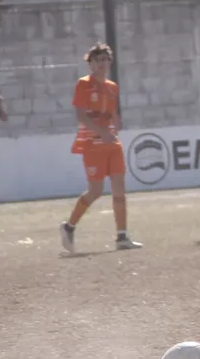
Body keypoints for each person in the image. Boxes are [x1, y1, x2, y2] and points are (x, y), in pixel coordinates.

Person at [60, 43, 143, 252]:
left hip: (112, 144)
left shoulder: (113, 87)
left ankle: (122, 236)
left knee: (119, 191)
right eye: (97, 60)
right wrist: (102, 131)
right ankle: (69, 227)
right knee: (95, 191)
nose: (102, 63)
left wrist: (115, 124)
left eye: (105, 59)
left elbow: (112, 112)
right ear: (90, 63)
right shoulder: (83, 84)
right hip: (92, 144)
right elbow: (81, 116)